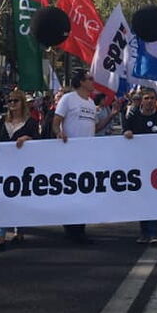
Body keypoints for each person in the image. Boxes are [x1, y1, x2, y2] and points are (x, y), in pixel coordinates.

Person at [0, 89, 39, 251]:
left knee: (18, 198)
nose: (12, 104)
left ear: (23, 103)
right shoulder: (2, 121)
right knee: (2, 198)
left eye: (16, 101)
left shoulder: (30, 122)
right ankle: (0, 235)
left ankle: (19, 230)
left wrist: (28, 138)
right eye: (10, 101)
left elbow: (40, 141)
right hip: (2, 165)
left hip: (22, 167)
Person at [53, 70, 99, 244]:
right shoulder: (68, 99)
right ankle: (71, 228)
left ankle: (80, 228)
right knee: (71, 190)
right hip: (70, 153)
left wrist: (111, 115)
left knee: (84, 190)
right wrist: (59, 133)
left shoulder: (91, 102)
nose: (93, 81)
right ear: (81, 82)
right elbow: (56, 122)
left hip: (87, 153)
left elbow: (95, 126)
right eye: (90, 79)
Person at [124, 86, 157, 244]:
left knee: (155, 198)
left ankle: (154, 233)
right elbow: (124, 134)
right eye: (147, 98)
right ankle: (144, 232)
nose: (150, 101)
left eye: (153, 98)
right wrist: (126, 134)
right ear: (141, 100)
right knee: (142, 199)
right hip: (138, 165)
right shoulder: (132, 118)